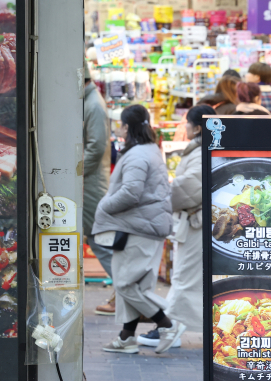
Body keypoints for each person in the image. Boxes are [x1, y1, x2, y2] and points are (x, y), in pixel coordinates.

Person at [93, 105, 185, 354]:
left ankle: (168, 323)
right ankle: (126, 338)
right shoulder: (149, 150)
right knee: (136, 287)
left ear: (127, 127)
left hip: (138, 228)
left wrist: (103, 205)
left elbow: (130, 193)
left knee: (124, 284)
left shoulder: (136, 155)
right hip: (147, 226)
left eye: (120, 124)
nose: (118, 128)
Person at [137, 105, 215, 348]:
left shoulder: (201, 151)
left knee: (184, 278)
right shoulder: (204, 148)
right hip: (196, 222)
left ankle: (170, 329)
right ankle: (174, 328)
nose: (185, 127)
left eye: (187, 123)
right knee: (188, 278)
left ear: (198, 127)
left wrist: (162, 194)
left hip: (196, 224)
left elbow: (190, 187)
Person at [83, 62, 115, 315]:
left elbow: (95, 147)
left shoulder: (93, 104)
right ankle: (124, 294)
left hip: (90, 183)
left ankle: (126, 294)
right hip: (88, 180)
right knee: (98, 238)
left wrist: (71, 173)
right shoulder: (89, 101)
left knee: (99, 239)